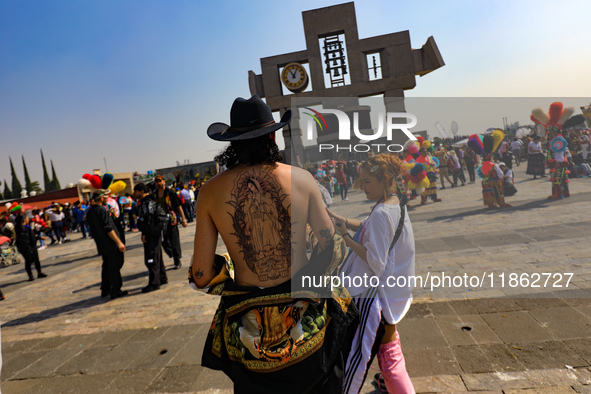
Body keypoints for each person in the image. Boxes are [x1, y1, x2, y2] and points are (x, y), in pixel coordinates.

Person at [190, 95, 357, 393]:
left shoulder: (209, 192)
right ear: (273, 134)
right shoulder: (302, 180)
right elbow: (332, 247)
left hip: (249, 335)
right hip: (307, 322)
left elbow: (201, 275)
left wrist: (228, 265)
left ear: (232, 142)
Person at [326, 153, 415, 394]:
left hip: (375, 296)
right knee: (389, 352)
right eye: (361, 181)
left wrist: (344, 237)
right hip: (392, 291)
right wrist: (340, 219)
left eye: (367, 182)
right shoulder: (395, 202)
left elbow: (376, 262)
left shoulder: (381, 213)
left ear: (384, 179)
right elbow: (366, 225)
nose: (362, 187)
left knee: (362, 354)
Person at [85, 190, 128, 299]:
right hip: (110, 243)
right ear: (101, 198)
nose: (106, 199)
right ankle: (115, 290)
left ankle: (106, 288)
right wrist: (119, 242)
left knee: (107, 266)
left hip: (101, 243)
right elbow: (108, 228)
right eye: (105, 197)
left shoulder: (90, 211)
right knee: (115, 266)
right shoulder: (101, 210)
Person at [134, 183, 169, 293]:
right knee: (157, 254)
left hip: (151, 233)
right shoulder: (148, 202)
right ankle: (162, 277)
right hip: (154, 232)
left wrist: (144, 233)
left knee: (151, 257)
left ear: (142, 191)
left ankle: (154, 283)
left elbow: (147, 219)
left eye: (136, 191)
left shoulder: (146, 203)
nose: (134, 193)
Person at [154, 175, 187, 269]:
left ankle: (177, 260)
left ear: (164, 181)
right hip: (160, 222)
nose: (158, 183)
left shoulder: (170, 192)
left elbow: (178, 206)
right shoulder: (155, 194)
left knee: (174, 241)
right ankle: (171, 253)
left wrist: (183, 219)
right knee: (164, 241)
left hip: (171, 220)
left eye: (159, 181)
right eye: (156, 181)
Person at [14, 210, 48, 282]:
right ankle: (30, 275)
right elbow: (17, 221)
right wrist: (20, 214)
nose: (28, 219)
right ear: (23, 219)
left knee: (36, 259)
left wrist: (39, 237)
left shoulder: (28, 227)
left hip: (32, 244)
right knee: (28, 260)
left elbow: (31, 236)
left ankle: (39, 273)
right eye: (26, 218)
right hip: (24, 246)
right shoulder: (19, 227)